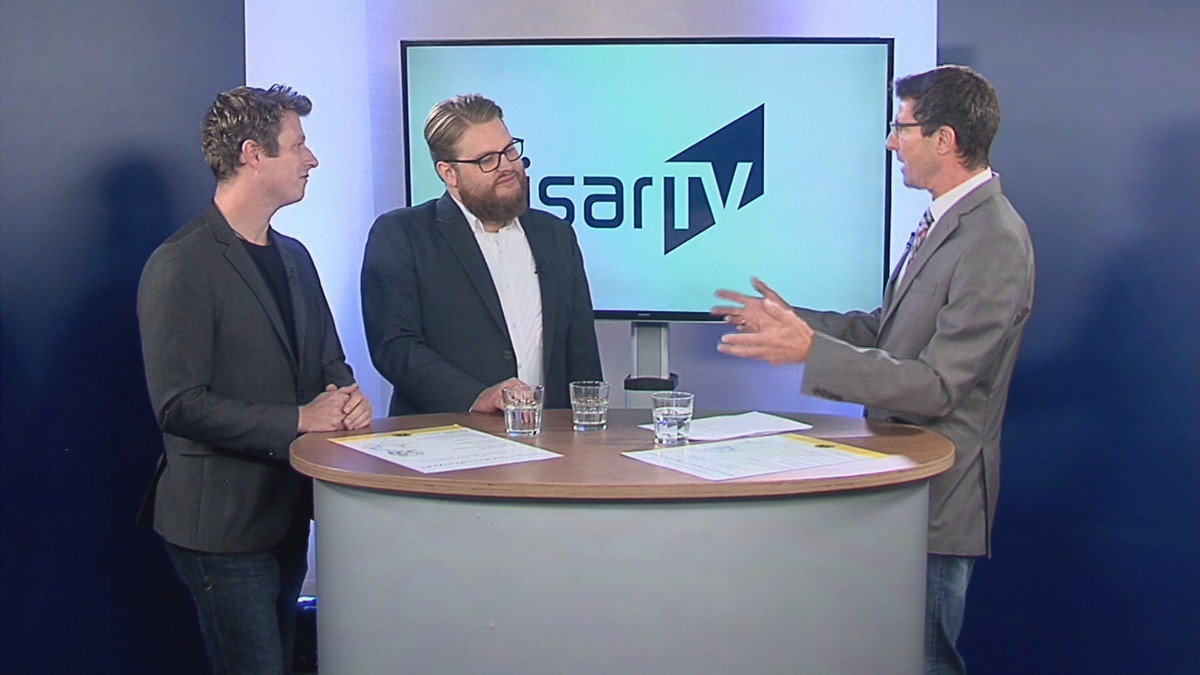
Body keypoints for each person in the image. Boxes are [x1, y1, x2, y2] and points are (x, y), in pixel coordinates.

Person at [712, 65, 1034, 674]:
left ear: (944, 139)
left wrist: (810, 352)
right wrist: (792, 320)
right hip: (900, 484)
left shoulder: (992, 237)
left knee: (924, 660)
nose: (891, 142)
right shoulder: (946, 221)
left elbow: (938, 386)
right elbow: (889, 331)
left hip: (938, 498)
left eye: (901, 127)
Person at [137, 84, 372, 674]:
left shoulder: (296, 257)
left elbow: (330, 363)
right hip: (220, 527)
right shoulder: (181, 264)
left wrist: (346, 400)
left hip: (287, 514)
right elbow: (179, 404)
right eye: (298, 146)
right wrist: (301, 419)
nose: (312, 159)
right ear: (252, 154)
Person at [361, 93, 602, 415]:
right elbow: (394, 346)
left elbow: (581, 349)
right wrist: (476, 397)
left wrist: (587, 425)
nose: (507, 167)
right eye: (487, 160)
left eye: (509, 150)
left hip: (548, 435)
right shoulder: (402, 235)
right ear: (449, 173)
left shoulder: (556, 235)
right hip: (444, 433)